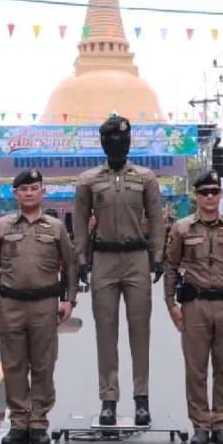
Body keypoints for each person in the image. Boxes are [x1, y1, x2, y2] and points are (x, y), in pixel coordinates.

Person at [72, 115, 164, 426]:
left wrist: (158, 255)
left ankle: (142, 398)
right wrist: (81, 259)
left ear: (129, 142)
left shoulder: (145, 178)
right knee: (106, 332)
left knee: (140, 331)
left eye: (123, 140)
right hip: (104, 261)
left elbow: (157, 220)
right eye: (112, 140)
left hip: (136, 258)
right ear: (103, 143)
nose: (118, 144)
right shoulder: (88, 180)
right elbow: (80, 223)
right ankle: (108, 399)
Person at [0, 169, 77, 444]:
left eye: (34, 188)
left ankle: (38, 423)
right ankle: (18, 424)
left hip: (43, 306)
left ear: (42, 192)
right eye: (23, 189)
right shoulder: (2, 227)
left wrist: (69, 299)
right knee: (13, 366)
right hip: (11, 304)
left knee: (43, 365)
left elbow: (71, 264)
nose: (28, 193)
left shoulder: (56, 227)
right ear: (15, 194)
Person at [164, 169, 223, 444]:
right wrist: (171, 304)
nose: (210, 197)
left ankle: (222, 424)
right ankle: (201, 425)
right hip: (195, 306)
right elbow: (171, 267)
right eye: (204, 192)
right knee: (196, 369)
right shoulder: (182, 228)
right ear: (196, 196)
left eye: (214, 192)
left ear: (220, 195)